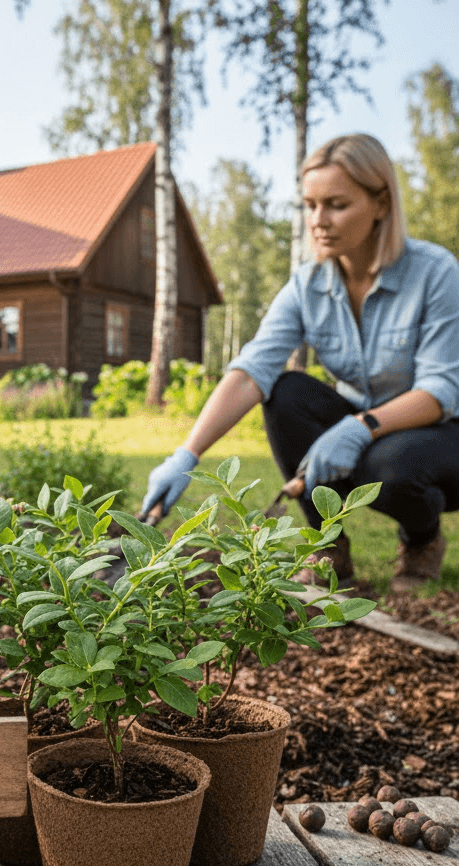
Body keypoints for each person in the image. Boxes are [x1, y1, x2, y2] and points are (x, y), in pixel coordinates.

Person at [141, 133, 459, 594]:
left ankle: (422, 540)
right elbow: (253, 369)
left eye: (336, 204)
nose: (318, 221)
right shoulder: (308, 286)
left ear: (382, 203)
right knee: (285, 392)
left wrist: (358, 428)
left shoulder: (436, 273)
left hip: (441, 435)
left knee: (390, 463)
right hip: (367, 425)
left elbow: (442, 390)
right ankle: (328, 545)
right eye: (309, 205)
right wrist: (185, 455)